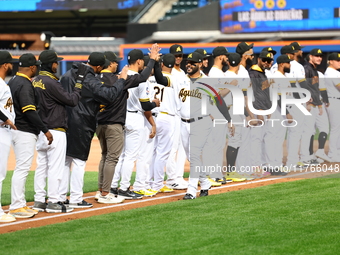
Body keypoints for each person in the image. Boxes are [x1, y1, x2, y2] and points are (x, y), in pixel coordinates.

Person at [59, 52, 128, 209]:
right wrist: (122, 79)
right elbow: (108, 95)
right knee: (79, 161)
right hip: (81, 122)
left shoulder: (68, 74)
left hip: (66, 121)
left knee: (66, 161)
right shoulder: (88, 77)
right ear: (98, 66)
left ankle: (60, 197)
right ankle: (76, 198)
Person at [32, 50, 85, 213]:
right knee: (55, 167)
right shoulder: (51, 82)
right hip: (55, 130)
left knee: (41, 166)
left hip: (41, 130)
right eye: (56, 62)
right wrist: (79, 82)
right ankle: (54, 201)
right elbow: (72, 100)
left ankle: (39, 200)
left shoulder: (35, 80)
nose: (57, 64)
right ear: (50, 64)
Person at [180, 52, 233, 199]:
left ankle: (191, 190)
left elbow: (218, 101)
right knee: (192, 157)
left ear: (199, 64)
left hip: (201, 122)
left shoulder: (207, 81)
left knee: (195, 154)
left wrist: (229, 120)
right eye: (187, 62)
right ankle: (204, 182)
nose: (188, 64)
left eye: (192, 62)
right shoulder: (181, 80)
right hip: (183, 123)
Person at [110, 47, 161, 200]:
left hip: (121, 117)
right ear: (139, 61)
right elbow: (145, 106)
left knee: (120, 155)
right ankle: (124, 187)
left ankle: (113, 186)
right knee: (130, 156)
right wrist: (155, 103)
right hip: (135, 118)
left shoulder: (122, 75)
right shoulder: (140, 80)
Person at [9, 53, 53, 218]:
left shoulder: (13, 81)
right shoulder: (24, 84)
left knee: (21, 168)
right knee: (22, 168)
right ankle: (16, 206)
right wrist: (45, 129)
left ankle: (18, 204)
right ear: (33, 67)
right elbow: (29, 111)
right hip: (24, 130)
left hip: (15, 129)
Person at [148, 53, 178, 192]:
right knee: (162, 152)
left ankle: (148, 182)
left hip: (153, 116)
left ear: (161, 64)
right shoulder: (174, 79)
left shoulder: (152, 79)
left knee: (153, 152)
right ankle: (158, 184)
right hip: (167, 117)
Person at [303, 49, 332, 163]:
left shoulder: (315, 71)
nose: (319, 58)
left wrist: (321, 103)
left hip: (316, 103)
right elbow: (304, 86)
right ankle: (307, 156)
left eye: (320, 56)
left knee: (320, 128)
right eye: (316, 56)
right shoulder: (306, 69)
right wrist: (307, 101)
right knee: (308, 131)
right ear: (310, 57)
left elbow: (316, 89)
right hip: (309, 103)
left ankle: (315, 153)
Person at [166, 44, 188, 189]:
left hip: (182, 115)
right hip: (172, 114)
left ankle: (179, 176)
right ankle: (171, 178)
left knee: (182, 148)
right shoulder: (170, 72)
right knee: (172, 148)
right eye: (176, 55)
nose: (178, 58)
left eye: (180, 55)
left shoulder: (182, 72)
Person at [0, 51, 18, 223]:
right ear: (5, 65)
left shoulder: (3, 83)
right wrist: (7, 119)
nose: (12, 65)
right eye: (11, 63)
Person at [324, 52, 340, 162]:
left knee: (337, 129)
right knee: (336, 129)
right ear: (330, 61)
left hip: (334, 100)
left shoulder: (332, 72)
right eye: (337, 60)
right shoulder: (332, 72)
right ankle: (332, 153)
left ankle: (336, 152)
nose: (339, 62)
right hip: (334, 101)